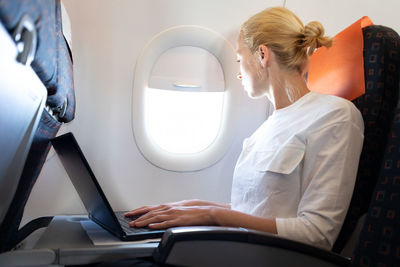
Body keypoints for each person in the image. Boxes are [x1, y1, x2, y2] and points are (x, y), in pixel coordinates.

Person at [125, 6, 364, 250]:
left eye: (239, 60)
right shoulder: (268, 127)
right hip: (243, 251)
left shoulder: (335, 115)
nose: (238, 74)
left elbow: (317, 234)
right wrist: (195, 206)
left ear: (262, 54)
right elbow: (257, 212)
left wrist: (213, 216)